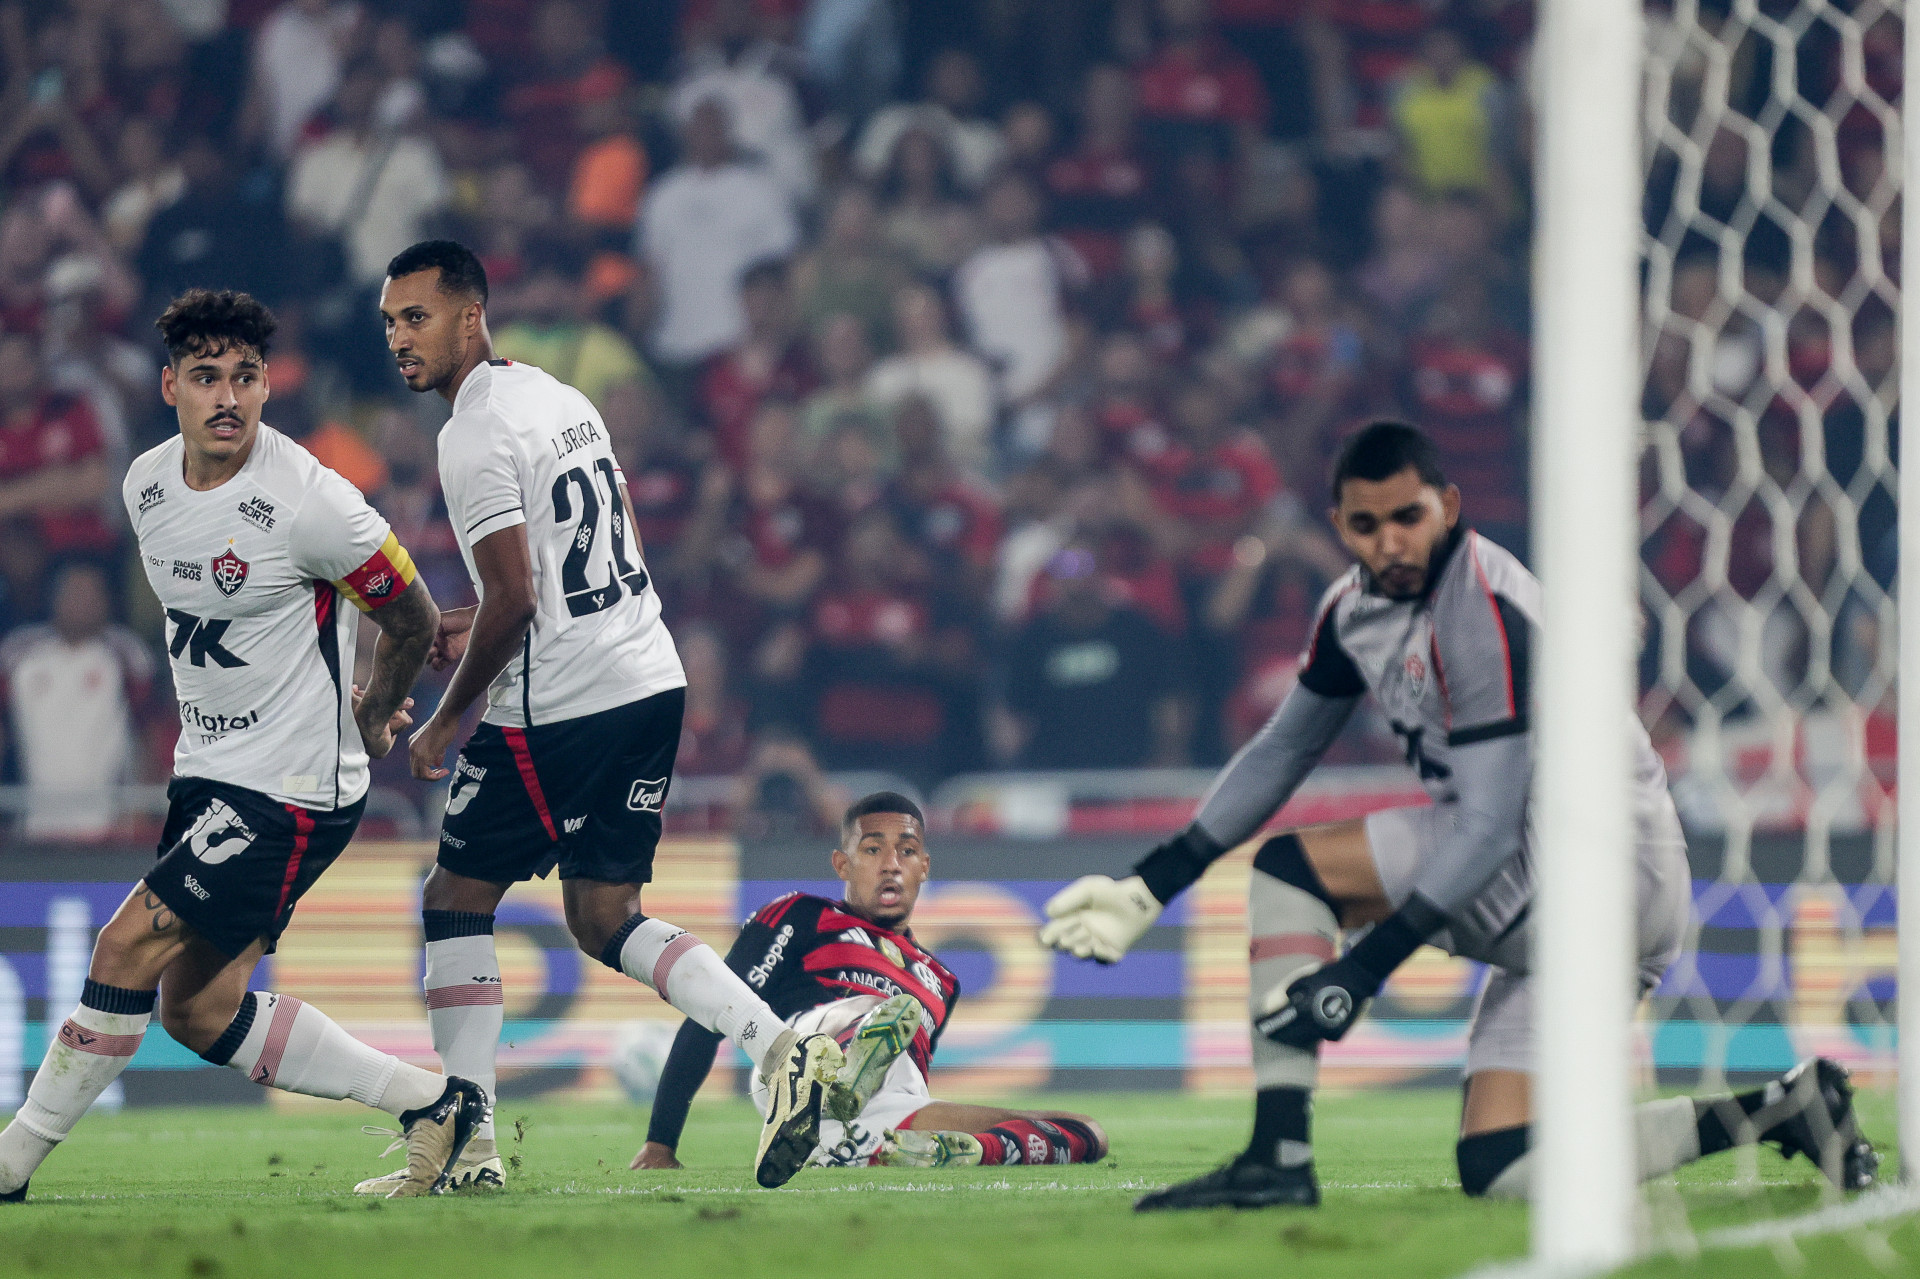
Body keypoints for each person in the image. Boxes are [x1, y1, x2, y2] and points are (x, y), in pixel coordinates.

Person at [1040, 421, 1880, 1209]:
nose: (1390, 542)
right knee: (1504, 1166)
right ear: (1340, 524)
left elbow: (1484, 825)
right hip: (1571, 888)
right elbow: (1281, 751)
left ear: (1448, 504)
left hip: (1591, 863)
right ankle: (1784, 1109)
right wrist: (1148, 886)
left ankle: (1278, 1157)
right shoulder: (1354, 612)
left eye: (1408, 516)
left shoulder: (1480, 605)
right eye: (1368, 525)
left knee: (1292, 871)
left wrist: (1359, 975)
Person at [372, 240, 849, 1194]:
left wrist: (442, 723)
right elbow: (560, 573)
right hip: (646, 674)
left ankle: (470, 1140)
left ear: (471, 316)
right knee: (603, 916)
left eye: (416, 317)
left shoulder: (469, 436)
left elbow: (513, 601)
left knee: (455, 899)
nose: (399, 340)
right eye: (389, 322)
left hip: (563, 703)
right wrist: (472, 625)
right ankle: (783, 1043)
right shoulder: (559, 396)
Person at [0, 288, 483, 1203]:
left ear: (268, 387)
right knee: (196, 1007)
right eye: (208, 377)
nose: (229, 397)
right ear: (169, 387)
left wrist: (377, 708)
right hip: (209, 775)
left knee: (122, 947)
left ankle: (12, 1161)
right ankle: (433, 1102)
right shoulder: (146, 487)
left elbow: (413, 615)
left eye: (247, 378)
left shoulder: (312, 502)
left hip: (294, 787)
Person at [635, 792, 1108, 1172]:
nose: (891, 864)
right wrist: (661, 1141)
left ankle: (906, 1146)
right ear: (843, 865)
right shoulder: (803, 916)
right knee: (870, 1012)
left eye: (906, 850)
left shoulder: (941, 980)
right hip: (795, 1056)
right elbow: (713, 1010)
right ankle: (830, 1082)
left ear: (925, 866)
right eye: (872, 849)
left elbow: (910, 1083)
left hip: (890, 1098)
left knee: (1085, 1133)